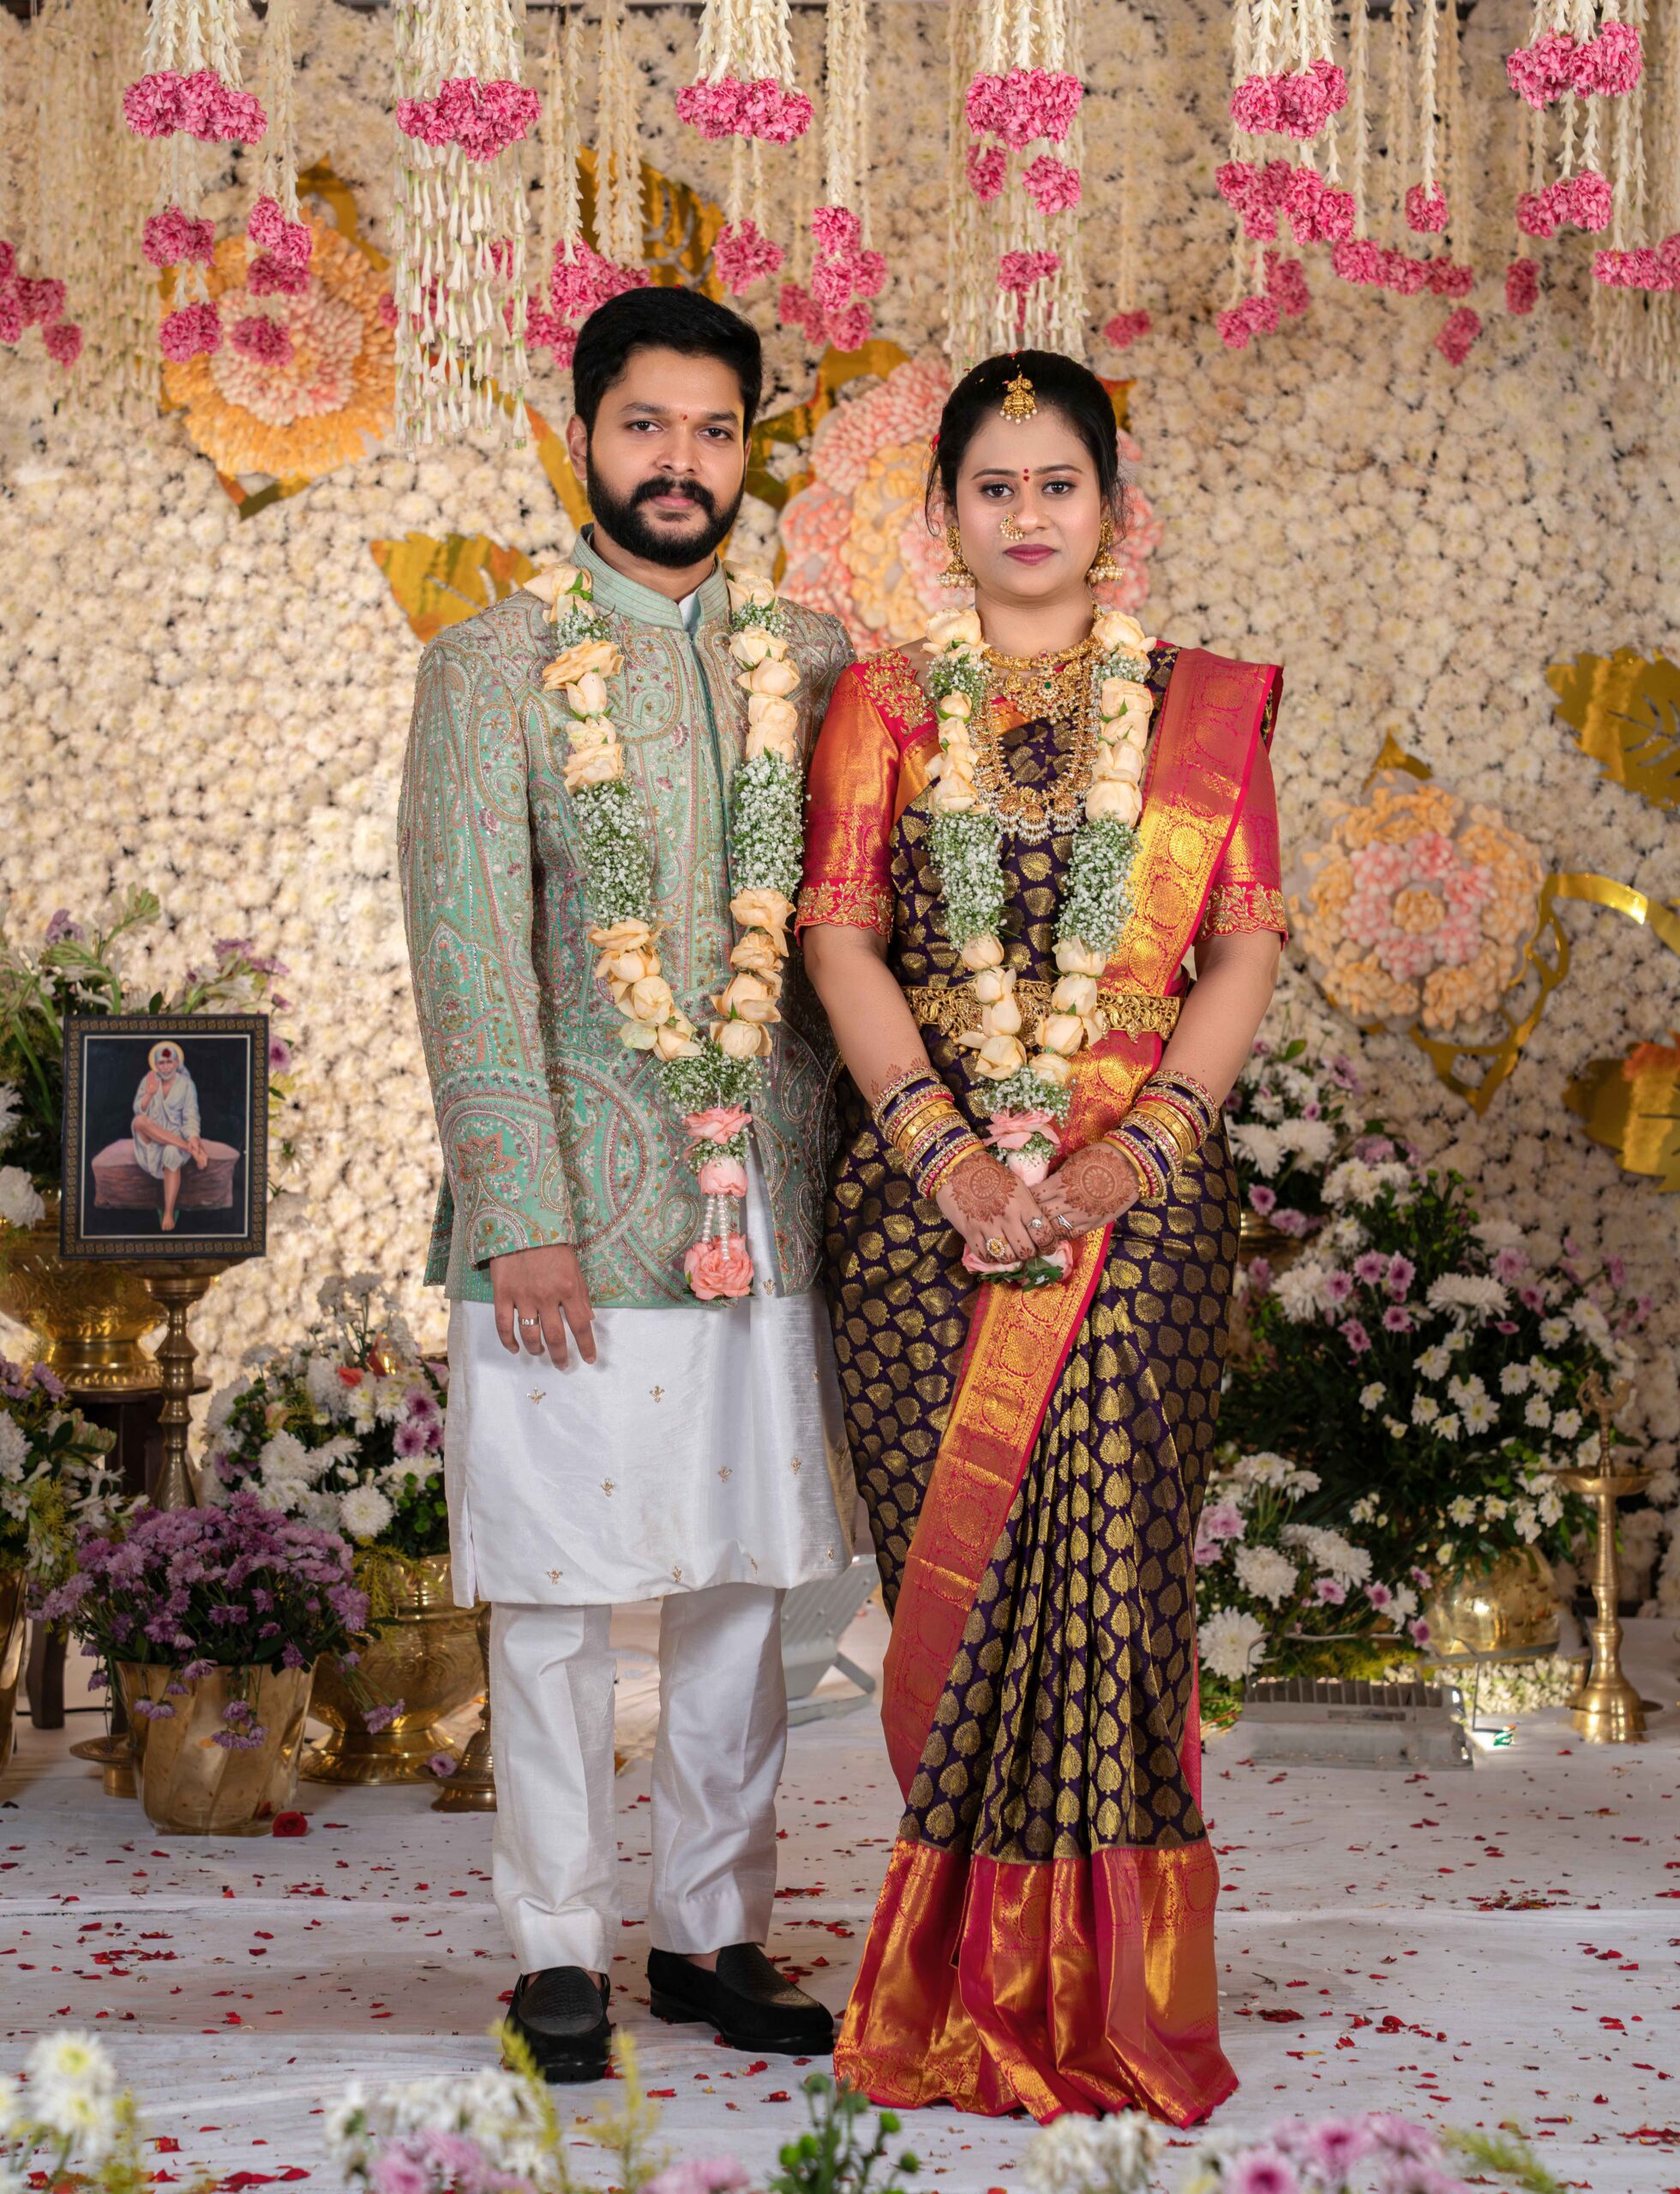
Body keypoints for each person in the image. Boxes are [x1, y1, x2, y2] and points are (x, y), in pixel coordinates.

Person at [798, 349, 1286, 2125]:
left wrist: (1147, 1144)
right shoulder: (881, 704)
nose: (1024, 515)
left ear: (1111, 506)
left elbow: (1240, 941)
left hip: (1136, 1199)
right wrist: (937, 1150)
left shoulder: (1199, 707)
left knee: (1111, 1560)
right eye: (991, 487)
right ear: (944, 512)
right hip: (922, 1197)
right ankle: (959, 1978)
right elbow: (839, 934)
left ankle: (1115, 1988)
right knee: (966, 1567)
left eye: (1055, 483)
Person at [399, 287, 855, 2084]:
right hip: (569, 1221)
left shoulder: (814, 662)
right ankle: (555, 1948)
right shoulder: (491, 665)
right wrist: (517, 1206)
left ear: (750, 451)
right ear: (581, 435)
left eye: (714, 430)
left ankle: (711, 1933)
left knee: (748, 1589)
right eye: (646, 424)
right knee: (556, 1595)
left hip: (766, 1211)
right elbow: (464, 950)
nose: (681, 461)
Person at [130, 1040, 207, 1232]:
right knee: (138, 1121)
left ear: (176, 1063)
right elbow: (138, 1109)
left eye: (169, 1062)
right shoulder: (149, 1080)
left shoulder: (186, 1084)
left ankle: (168, 1212)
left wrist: (193, 1138)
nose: (165, 1067)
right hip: (152, 1139)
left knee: (171, 1152)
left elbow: (191, 1117)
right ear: (156, 1064)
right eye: (161, 1063)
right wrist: (149, 1094)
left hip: (175, 1137)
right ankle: (187, 1148)